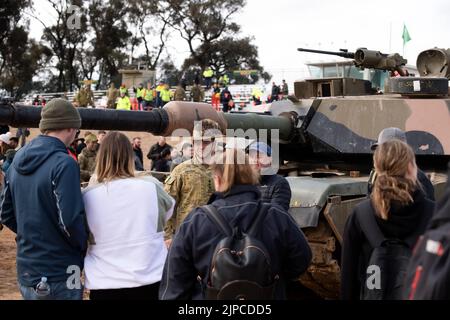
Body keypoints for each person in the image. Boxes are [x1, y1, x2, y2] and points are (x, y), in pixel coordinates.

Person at [159, 148, 312, 300]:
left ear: (217, 179)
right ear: (251, 175)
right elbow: (301, 260)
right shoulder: (276, 216)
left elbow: (174, 282)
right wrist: (274, 276)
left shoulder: (196, 221)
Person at [0, 98, 88, 300]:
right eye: (77, 129)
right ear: (69, 127)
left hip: (27, 269)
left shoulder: (16, 160)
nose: (76, 134)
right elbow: (70, 221)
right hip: (62, 270)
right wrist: (82, 246)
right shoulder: (65, 163)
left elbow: (5, 213)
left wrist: (33, 236)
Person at [83, 131, 174, 300]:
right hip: (149, 277)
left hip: (104, 281)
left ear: (101, 156)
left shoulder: (87, 196)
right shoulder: (152, 187)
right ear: (129, 155)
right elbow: (168, 212)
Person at [341, 140, 434, 300]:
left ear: (377, 168)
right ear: (412, 167)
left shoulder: (361, 215)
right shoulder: (435, 214)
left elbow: (348, 279)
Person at [163, 119, 220, 244]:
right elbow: (166, 205)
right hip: (186, 238)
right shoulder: (181, 170)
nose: (200, 146)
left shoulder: (224, 170)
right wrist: (167, 237)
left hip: (216, 239)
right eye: (197, 142)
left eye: (206, 142)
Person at [369, 127, 435, 200]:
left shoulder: (420, 179)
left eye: (386, 150)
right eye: (380, 150)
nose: (380, 153)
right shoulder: (375, 176)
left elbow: (427, 208)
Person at [248, 142, 292, 211]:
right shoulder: (245, 182)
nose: (254, 160)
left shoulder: (279, 183)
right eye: (251, 156)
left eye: (259, 157)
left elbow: (277, 215)